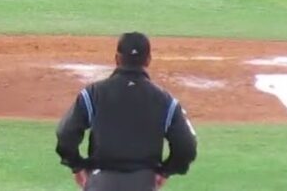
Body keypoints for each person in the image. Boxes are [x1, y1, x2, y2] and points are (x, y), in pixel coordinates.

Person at [55, 33, 198, 191]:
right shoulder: (165, 101)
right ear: (148, 60)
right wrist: (166, 171)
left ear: (117, 58)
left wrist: (76, 165)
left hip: (100, 182)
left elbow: (65, 133)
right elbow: (187, 147)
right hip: (143, 183)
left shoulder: (93, 94)